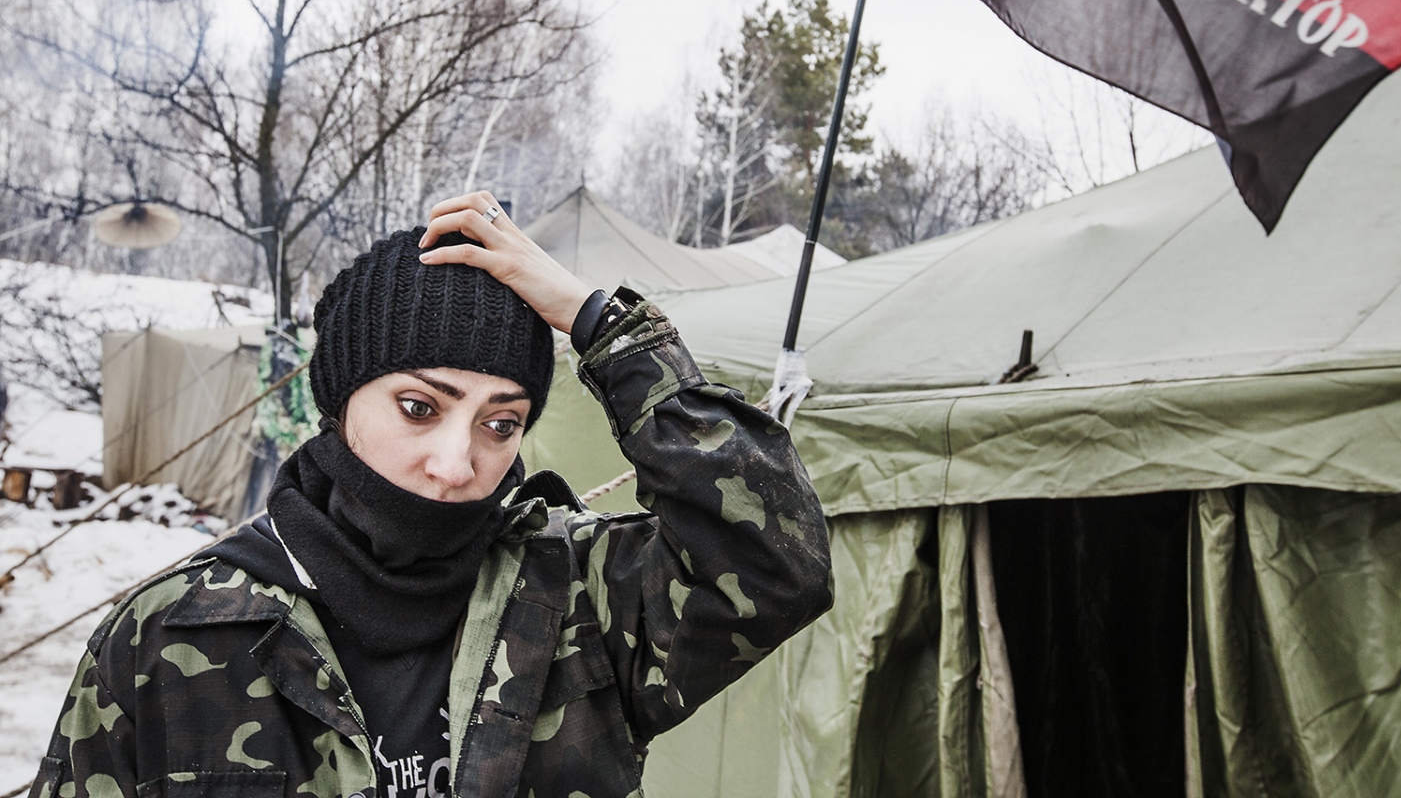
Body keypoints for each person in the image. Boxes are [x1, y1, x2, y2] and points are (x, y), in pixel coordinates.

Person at [31, 191, 833, 798]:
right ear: (342, 402)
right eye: (420, 408)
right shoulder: (174, 633)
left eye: (501, 422)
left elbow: (776, 565)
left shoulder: (580, 600)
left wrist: (599, 326)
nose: (456, 466)